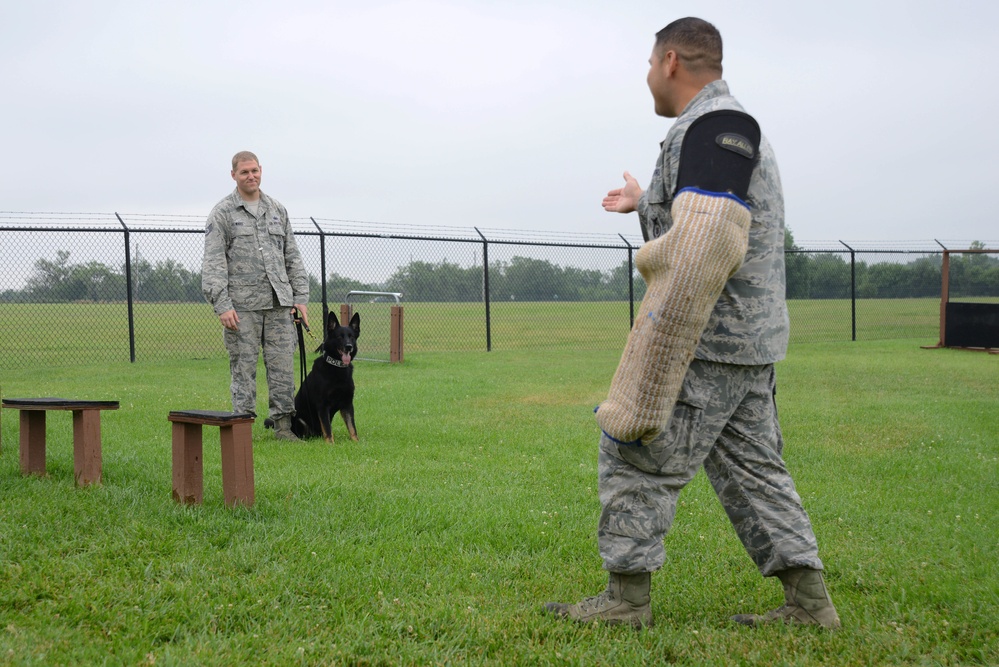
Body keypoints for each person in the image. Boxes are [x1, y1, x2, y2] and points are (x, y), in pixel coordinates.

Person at [545, 18, 840, 629]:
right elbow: (704, 218)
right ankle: (810, 604)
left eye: (650, 64)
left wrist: (659, 345)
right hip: (745, 342)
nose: (649, 76)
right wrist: (646, 204)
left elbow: (705, 240)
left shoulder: (716, 126)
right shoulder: (716, 129)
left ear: (671, 61)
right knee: (754, 471)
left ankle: (627, 601)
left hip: (704, 338)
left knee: (632, 449)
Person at [202, 151, 310, 441]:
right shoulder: (223, 212)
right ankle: (241, 428)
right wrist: (222, 304)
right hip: (242, 308)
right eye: (244, 172)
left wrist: (300, 297)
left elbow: (292, 257)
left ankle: (283, 426)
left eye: (255, 171)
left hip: (279, 305)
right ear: (234, 175)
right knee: (243, 369)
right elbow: (213, 263)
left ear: (261, 170)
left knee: (282, 368)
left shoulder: (277, 210)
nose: (251, 176)